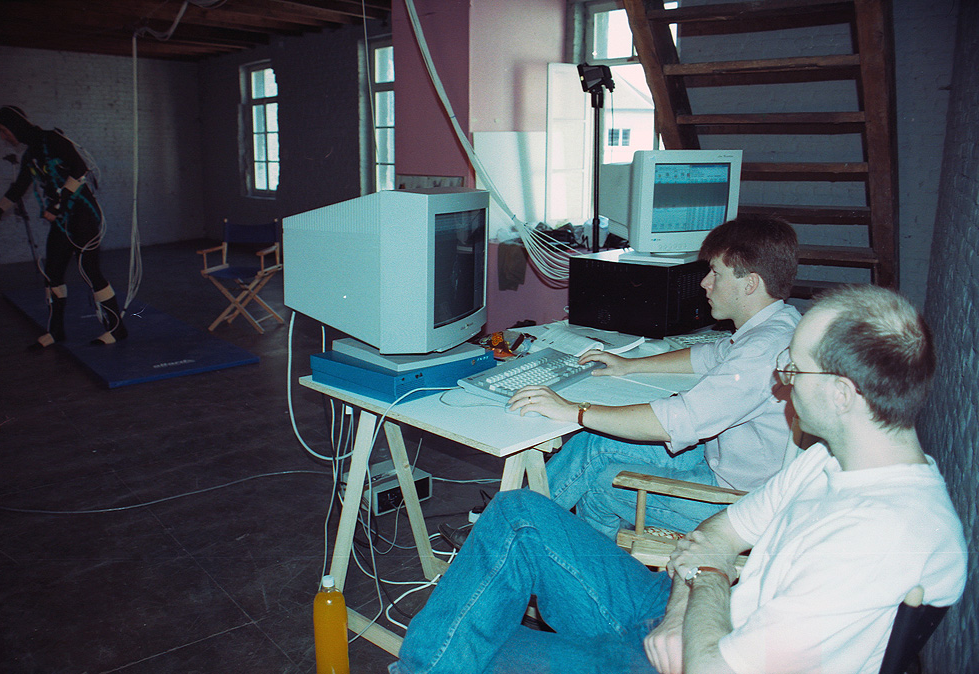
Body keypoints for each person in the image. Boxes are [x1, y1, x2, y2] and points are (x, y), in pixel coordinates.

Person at [390, 284, 967, 674]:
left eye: (794, 369)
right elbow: (717, 534)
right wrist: (682, 605)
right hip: (687, 616)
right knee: (519, 516)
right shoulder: (832, 461)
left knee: (467, 646)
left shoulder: (884, 536)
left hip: (702, 658)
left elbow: (714, 656)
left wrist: (705, 580)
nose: (783, 381)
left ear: (842, 394)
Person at [509, 214, 801, 538]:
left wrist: (574, 410)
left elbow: (674, 421)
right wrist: (630, 365)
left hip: (738, 504)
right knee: (594, 443)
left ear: (750, 284)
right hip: (726, 464)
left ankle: (533, 544)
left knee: (602, 482)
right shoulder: (779, 325)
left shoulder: (761, 353)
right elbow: (709, 355)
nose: (705, 283)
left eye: (716, 273)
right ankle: (509, 524)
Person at [0, 106, 127, 347]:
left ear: (15, 126)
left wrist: (56, 206)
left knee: (89, 271)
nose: (3, 137)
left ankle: (116, 329)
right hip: (62, 220)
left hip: (83, 214)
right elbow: (16, 191)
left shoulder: (53, 139)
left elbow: (79, 169)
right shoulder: (30, 155)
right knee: (52, 272)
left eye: (3, 130)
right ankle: (56, 331)